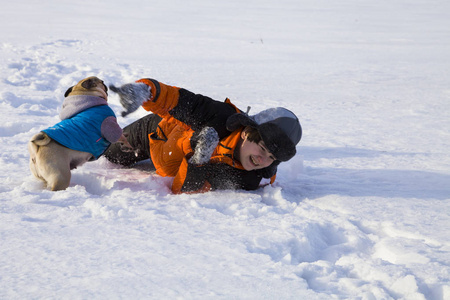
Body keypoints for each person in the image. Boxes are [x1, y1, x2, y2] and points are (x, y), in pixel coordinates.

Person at [104, 78, 302, 194]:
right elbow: (181, 101)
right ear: (247, 133)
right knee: (110, 155)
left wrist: (199, 160)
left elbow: (183, 190)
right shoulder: (220, 117)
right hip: (155, 132)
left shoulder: (251, 177)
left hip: (169, 162)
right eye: (263, 149)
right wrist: (147, 91)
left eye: (272, 158)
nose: (262, 160)